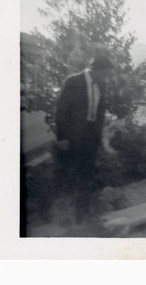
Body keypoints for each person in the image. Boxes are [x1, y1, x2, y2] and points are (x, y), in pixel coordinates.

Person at [54, 55, 114, 223]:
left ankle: (83, 214)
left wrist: (101, 139)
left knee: (87, 175)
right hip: (73, 137)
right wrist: (63, 137)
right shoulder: (74, 81)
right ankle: (67, 215)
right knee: (71, 175)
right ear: (94, 70)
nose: (106, 78)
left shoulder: (101, 84)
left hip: (91, 138)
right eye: (105, 74)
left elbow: (100, 113)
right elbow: (61, 111)